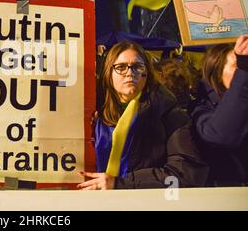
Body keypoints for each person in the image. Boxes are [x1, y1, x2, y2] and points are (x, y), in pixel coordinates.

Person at [78, 41, 208, 190]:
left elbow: (185, 173)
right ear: (108, 73)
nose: (129, 73)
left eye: (137, 67)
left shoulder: (169, 113)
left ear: (147, 73)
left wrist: (119, 184)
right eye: (121, 67)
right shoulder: (92, 113)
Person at [189, 35, 248, 186]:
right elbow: (222, 135)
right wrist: (244, 71)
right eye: (237, 65)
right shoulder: (200, 108)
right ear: (217, 72)